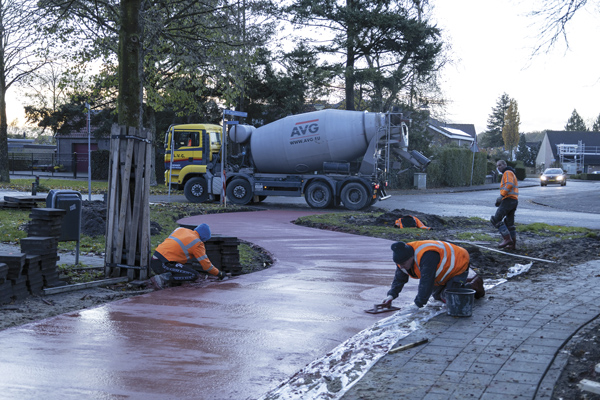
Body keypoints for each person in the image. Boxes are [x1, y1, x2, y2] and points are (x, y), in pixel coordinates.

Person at [382, 241, 485, 309]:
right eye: (399, 265)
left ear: (411, 257)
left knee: (451, 299)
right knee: (437, 296)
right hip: (444, 272)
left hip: (459, 263)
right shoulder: (402, 258)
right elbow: (399, 279)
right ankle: (458, 284)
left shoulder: (427, 255)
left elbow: (427, 281)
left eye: (403, 264)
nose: (402, 267)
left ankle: (474, 285)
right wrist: (391, 296)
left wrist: (418, 304)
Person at [149, 223, 226, 290]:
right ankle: (162, 279)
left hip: (155, 258)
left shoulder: (181, 229)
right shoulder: (198, 243)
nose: (205, 241)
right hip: (163, 264)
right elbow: (207, 266)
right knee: (193, 275)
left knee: (183, 270)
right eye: (205, 239)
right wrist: (219, 274)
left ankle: (169, 279)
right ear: (203, 237)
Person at [491, 159, 518, 250]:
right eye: (497, 166)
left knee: (496, 219)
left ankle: (507, 239)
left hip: (508, 199)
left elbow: (509, 185)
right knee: (510, 223)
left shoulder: (507, 173)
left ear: (504, 165)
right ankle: (512, 244)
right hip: (513, 200)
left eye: (500, 165)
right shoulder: (511, 173)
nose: (498, 167)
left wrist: (501, 196)